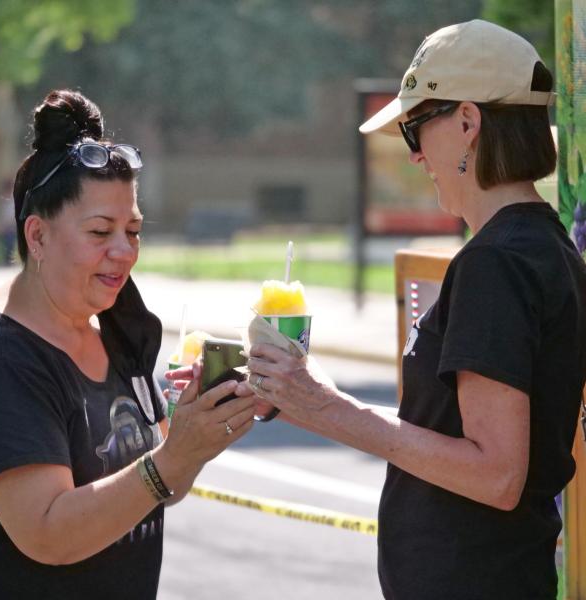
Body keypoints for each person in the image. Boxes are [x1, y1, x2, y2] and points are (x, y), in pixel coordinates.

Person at [239, 20, 586, 599]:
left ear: (469, 124)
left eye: (415, 129)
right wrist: (292, 395)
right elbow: (444, 433)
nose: (416, 154)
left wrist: (328, 405)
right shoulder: (542, 248)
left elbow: (497, 474)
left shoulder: (495, 263)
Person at [0, 89, 255, 599]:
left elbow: (156, 490)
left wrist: (197, 437)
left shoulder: (118, 328)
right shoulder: (3, 358)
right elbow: (47, 532)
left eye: (133, 230)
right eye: (100, 231)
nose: (123, 251)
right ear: (37, 237)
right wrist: (172, 459)